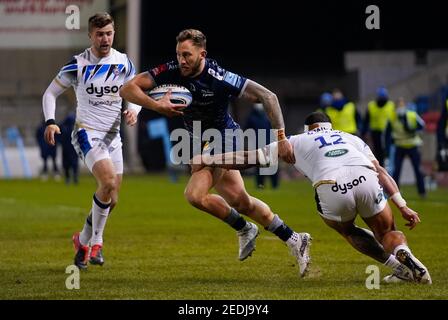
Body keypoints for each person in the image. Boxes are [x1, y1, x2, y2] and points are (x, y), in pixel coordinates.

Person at [120, 29, 311, 277]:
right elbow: (128, 88)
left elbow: (269, 97)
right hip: (200, 141)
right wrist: (157, 106)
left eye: (187, 55)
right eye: (178, 54)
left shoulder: (219, 77)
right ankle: (295, 238)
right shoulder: (172, 70)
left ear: (203, 54)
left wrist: (282, 138)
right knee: (241, 201)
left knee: (194, 195)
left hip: (225, 138)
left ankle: (243, 228)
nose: (182, 60)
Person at [191, 111, 432, 284]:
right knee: (388, 231)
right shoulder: (351, 138)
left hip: (331, 185)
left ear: (309, 130)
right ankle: (403, 253)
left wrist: (209, 159)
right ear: (330, 126)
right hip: (365, 176)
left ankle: (397, 267)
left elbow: (250, 158)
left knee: (348, 230)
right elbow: (381, 171)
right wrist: (402, 205)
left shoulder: (296, 140)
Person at [42, 13, 141, 269]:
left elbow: (136, 91)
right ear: (90, 36)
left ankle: (82, 239)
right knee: (107, 182)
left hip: (113, 137)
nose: (105, 38)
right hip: (87, 132)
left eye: (108, 33)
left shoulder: (123, 62)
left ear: (114, 33)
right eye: (99, 34)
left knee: (112, 198)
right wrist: (50, 121)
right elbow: (50, 93)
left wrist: (134, 109)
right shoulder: (78, 64)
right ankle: (96, 243)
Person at [386, 97, 426, 198]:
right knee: (397, 170)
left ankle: (422, 192)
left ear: (405, 106)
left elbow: (422, 125)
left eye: (402, 105)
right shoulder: (392, 117)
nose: (400, 107)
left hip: (412, 145)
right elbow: (387, 133)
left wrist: (411, 128)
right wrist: (388, 146)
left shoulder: (412, 115)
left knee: (417, 169)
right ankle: (394, 192)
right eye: (399, 105)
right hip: (399, 146)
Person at [245, 103, 279, 189]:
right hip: (261, 144)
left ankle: (272, 185)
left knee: (270, 164)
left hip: (268, 144)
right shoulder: (253, 118)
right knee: (262, 166)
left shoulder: (265, 117)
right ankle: (262, 185)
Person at [362, 87, 395, 167]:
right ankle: (380, 167)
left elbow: (394, 119)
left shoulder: (391, 105)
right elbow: (366, 120)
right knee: (377, 152)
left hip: (387, 132)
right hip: (375, 132)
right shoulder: (371, 106)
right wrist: (364, 132)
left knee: (387, 152)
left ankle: (387, 167)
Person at [59, 112, 79, 185]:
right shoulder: (74, 128)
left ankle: (71, 178)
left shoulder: (65, 127)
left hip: (69, 149)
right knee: (71, 164)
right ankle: (73, 178)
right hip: (72, 149)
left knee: (70, 164)